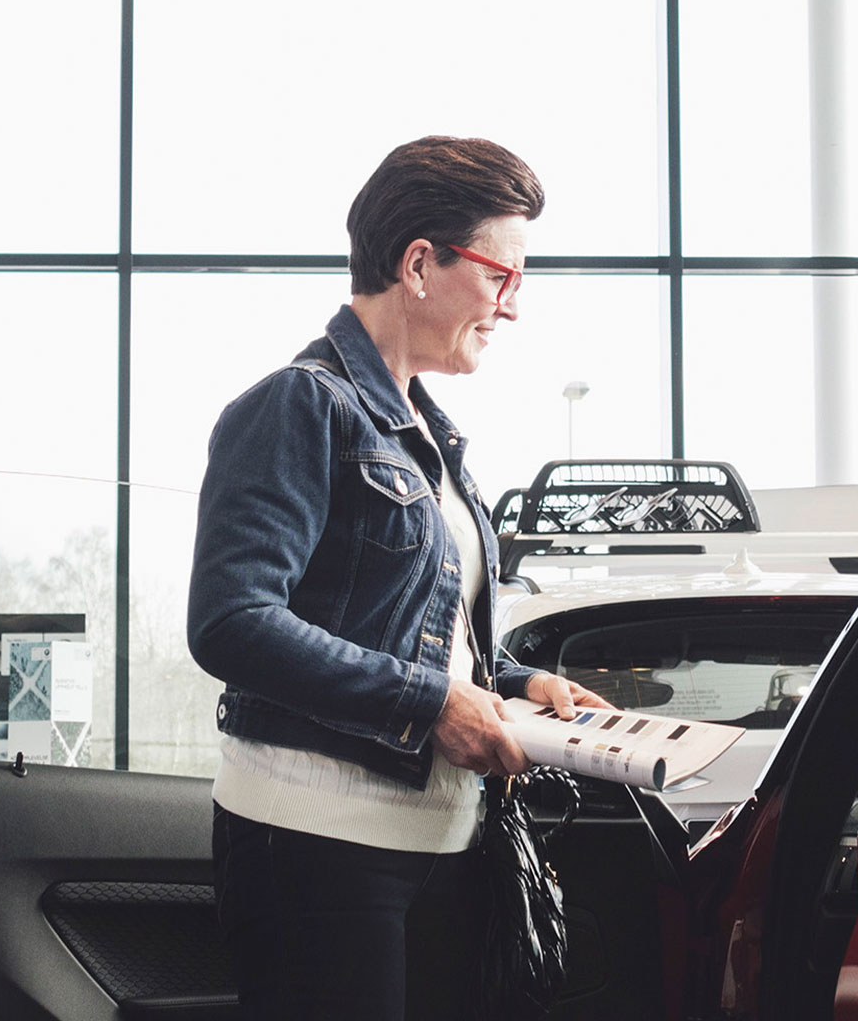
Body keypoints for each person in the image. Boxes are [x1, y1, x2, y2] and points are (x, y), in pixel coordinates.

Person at [187, 135, 611, 1020]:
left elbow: (402, 628)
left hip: (444, 846)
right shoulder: (300, 405)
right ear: (420, 264)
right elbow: (232, 620)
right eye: (504, 275)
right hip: (317, 848)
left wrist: (514, 689)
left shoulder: (431, 436)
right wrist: (430, 705)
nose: (512, 307)